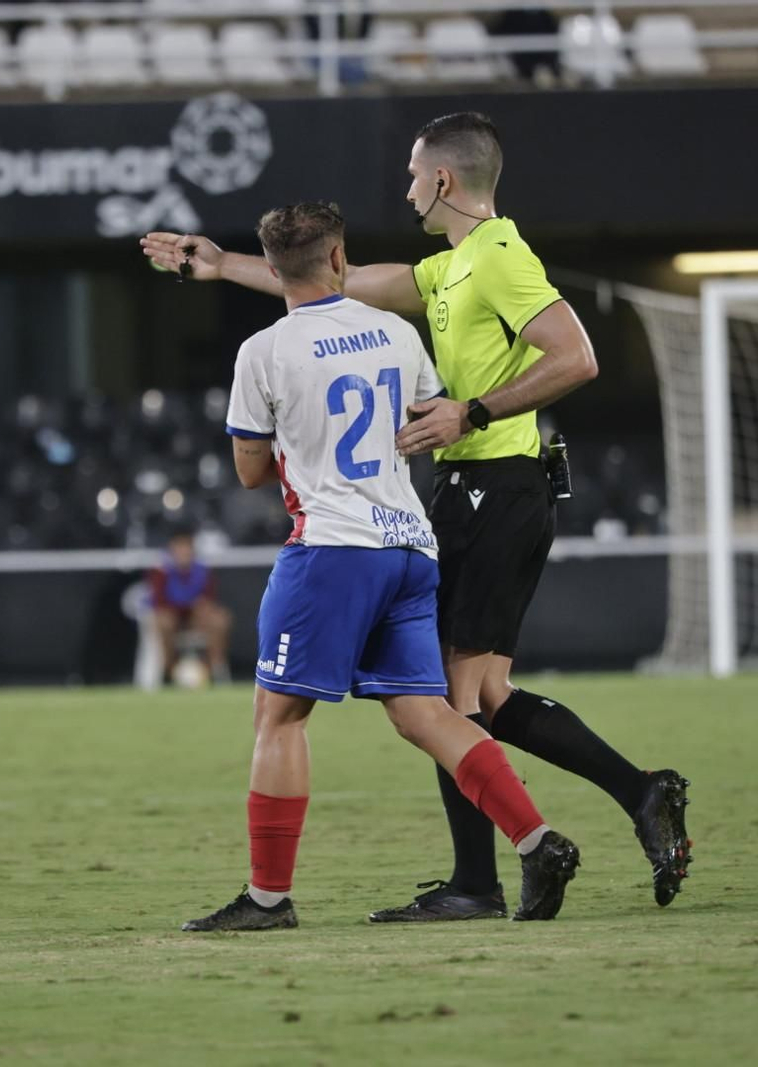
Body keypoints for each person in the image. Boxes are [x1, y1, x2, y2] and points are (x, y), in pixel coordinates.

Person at [143, 112, 692, 920]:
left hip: (494, 484)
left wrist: (473, 411)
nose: (403, 188)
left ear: (443, 180)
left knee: (453, 699)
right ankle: (621, 800)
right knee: (472, 697)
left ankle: (496, 872)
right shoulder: (451, 267)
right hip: (452, 503)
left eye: (411, 174)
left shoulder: (500, 258)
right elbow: (336, 286)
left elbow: (577, 356)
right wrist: (225, 266)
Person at [181, 202, 579, 932]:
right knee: (425, 712)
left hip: (331, 549)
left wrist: (304, 444)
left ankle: (268, 899)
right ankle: (536, 837)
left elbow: (249, 469)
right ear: (339, 259)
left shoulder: (264, 352)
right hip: (409, 544)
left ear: (271, 269)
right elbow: (422, 424)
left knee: (279, 715)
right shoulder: (397, 332)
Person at [146, 528, 232, 685]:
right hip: (172, 617)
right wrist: (181, 604)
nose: (183, 552)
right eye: (179, 548)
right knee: (164, 621)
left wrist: (201, 606)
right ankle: (170, 671)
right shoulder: (161, 571)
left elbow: (209, 598)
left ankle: (213, 669)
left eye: (187, 547)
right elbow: (157, 602)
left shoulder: (202, 570)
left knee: (219, 619)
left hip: (195, 617)